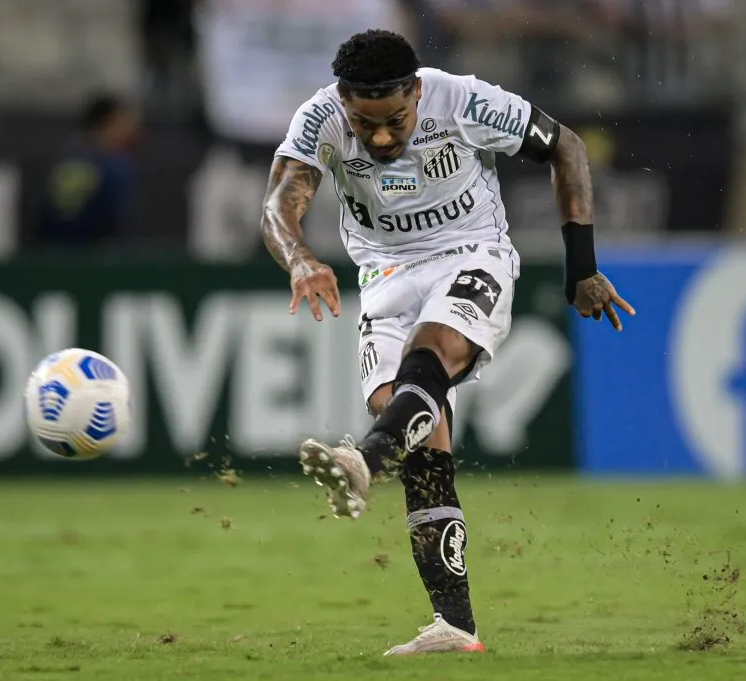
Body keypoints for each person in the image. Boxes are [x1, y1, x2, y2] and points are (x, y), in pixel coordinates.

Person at [259, 29, 635, 656]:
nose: (380, 138)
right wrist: (299, 258)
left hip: (471, 253)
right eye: (365, 124)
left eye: (395, 121)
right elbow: (278, 205)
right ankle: (455, 626)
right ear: (344, 102)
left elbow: (565, 146)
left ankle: (363, 462)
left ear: (416, 90)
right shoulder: (320, 118)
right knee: (408, 420)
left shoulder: (463, 102)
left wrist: (582, 266)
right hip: (383, 275)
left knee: (426, 358)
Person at [37, 94, 142, 247]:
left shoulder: (64, 161)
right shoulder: (115, 168)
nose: (136, 133)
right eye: (128, 125)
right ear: (107, 123)